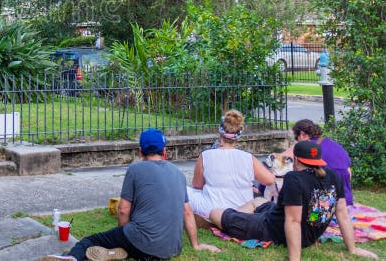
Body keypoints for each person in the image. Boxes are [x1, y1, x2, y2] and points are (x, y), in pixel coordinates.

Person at [38, 129, 220, 261]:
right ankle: (118, 252)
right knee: (137, 242)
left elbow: (124, 210)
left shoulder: (135, 169)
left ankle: (72, 258)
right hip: (171, 249)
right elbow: (187, 213)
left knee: (90, 240)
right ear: (165, 152)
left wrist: (122, 235)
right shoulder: (179, 174)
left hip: (140, 240)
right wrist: (196, 245)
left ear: (140, 152)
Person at [208, 141, 377, 260]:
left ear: (296, 160)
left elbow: (293, 221)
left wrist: (294, 259)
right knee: (257, 202)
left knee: (214, 213)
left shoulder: (294, 179)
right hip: (303, 229)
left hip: (272, 228)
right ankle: (239, 220)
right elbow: (343, 215)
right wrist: (353, 249)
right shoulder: (333, 176)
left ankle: (234, 221)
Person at [188, 110, 275, 218]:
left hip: (210, 208)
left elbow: (197, 185)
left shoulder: (205, 155)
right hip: (243, 209)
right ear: (238, 137)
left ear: (220, 133)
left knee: (184, 189)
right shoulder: (248, 158)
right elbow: (270, 180)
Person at [283, 119, 354, 206]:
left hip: (324, 203)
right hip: (346, 199)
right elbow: (348, 173)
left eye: (296, 139)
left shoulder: (308, 149)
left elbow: (281, 163)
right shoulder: (335, 145)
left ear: (302, 135)